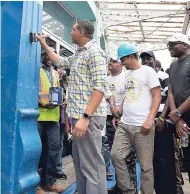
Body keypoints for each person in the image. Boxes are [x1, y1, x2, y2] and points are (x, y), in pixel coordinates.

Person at [36, 20, 108, 194]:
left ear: (82, 32)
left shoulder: (95, 53)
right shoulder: (79, 54)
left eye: (73, 29)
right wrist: (44, 44)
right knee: (80, 163)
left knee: (91, 165)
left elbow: (100, 87)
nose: (71, 32)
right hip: (79, 117)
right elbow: (60, 61)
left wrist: (85, 118)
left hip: (88, 117)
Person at [111, 43, 161, 194]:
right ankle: (129, 191)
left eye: (123, 59)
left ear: (132, 56)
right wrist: (118, 113)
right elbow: (129, 95)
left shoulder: (148, 71)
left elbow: (157, 96)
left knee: (146, 167)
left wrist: (149, 120)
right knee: (116, 156)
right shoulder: (127, 74)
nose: (122, 63)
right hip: (125, 124)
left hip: (142, 126)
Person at [140, 51, 177, 194]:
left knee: (165, 158)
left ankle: (168, 190)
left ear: (155, 60)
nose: (146, 61)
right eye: (143, 59)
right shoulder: (142, 76)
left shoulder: (162, 75)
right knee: (152, 158)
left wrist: (161, 117)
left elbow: (169, 97)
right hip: (147, 123)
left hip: (162, 123)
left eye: (149, 58)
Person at [37, 52, 65, 193]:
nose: (49, 59)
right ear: (41, 56)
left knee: (53, 150)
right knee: (36, 152)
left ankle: (48, 183)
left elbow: (56, 91)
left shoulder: (55, 73)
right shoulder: (36, 70)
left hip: (53, 117)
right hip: (39, 116)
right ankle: (35, 185)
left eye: (51, 56)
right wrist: (41, 103)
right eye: (46, 55)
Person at [167, 33, 190, 183]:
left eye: (173, 44)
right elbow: (170, 91)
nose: (169, 47)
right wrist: (177, 117)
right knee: (187, 158)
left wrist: (178, 112)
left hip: (184, 114)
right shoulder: (173, 65)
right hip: (179, 118)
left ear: (186, 45)